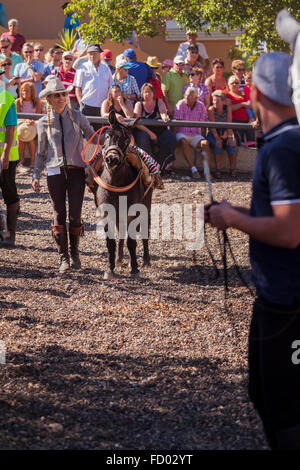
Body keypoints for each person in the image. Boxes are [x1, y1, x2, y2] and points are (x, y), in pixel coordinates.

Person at [208, 52, 300, 450]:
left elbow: (289, 230)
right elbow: (280, 216)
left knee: (286, 409)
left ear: (257, 91)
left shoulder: (283, 147)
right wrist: (234, 212)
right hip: (277, 297)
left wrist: (233, 219)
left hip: (288, 302)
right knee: (264, 395)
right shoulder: (286, 142)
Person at [32, 78, 97, 274]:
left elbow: (92, 137)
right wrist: (36, 175)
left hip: (77, 170)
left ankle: (75, 254)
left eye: (63, 94)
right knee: (58, 213)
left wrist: (91, 160)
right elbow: (41, 152)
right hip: (54, 171)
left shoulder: (78, 117)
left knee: (75, 213)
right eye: (57, 95)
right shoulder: (43, 123)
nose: (61, 98)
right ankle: (64, 258)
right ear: (49, 99)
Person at [133, 82, 177, 171]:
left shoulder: (159, 102)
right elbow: (136, 122)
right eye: (145, 92)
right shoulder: (139, 104)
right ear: (142, 94)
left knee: (170, 138)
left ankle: (161, 165)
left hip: (159, 131)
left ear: (153, 93)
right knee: (142, 137)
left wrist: (164, 117)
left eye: (149, 92)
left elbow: (163, 112)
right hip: (145, 131)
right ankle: (146, 165)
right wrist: (150, 133)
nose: (147, 94)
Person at [74, 43, 113, 131]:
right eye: (90, 53)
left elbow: (111, 86)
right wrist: (81, 103)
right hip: (86, 106)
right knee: (84, 133)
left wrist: (108, 103)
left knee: (101, 133)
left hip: (102, 107)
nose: (92, 55)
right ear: (87, 55)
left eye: (95, 53)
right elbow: (77, 88)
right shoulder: (82, 67)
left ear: (99, 54)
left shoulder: (106, 68)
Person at [173, 87, 210, 178]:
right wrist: (173, 139)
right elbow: (176, 124)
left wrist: (203, 137)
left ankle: (206, 171)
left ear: (196, 98)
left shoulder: (201, 106)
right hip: (182, 132)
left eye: (189, 97)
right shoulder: (180, 104)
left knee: (205, 143)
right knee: (184, 141)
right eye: (185, 96)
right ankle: (193, 169)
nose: (186, 98)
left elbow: (203, 125)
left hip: (194, 133)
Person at [0, 83, 20, 247]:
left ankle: (10, 235)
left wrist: (5, 155)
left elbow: (11, 127)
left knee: (9, 193)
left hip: (6, 156)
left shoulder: (6, 99)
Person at [207, 90, 236, 178]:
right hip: (214, 132)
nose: (215, 102)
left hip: (225, 130)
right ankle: (218, 169)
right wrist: (217, 138)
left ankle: (232, 169)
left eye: (217, 100)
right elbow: (212, 126)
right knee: (218, 144)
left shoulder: (227, 109)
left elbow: (229, 123)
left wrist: (229, 135)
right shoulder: (211, 110)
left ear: (223, 101)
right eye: (214, 100)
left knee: (231, 144)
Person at [16, 82, 41, 170]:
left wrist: (31, 121)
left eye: (27, 91)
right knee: (20, 135)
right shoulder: (18, 101)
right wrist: (25, 121)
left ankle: (33, 161)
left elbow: (38, 115)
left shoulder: (37, 101)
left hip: (34, 122)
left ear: (32, 92)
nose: (24, 93)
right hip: (22, 123)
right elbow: (18, 116)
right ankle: (21, 161)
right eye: (23, 90)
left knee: (29, 135)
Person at [226, 75, 255, 145]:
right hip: (236, 121)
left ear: (239, 84)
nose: (234, 84)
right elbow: (229, 108)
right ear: (229, 85)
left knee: (251, 142)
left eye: (236, 82)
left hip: (248, 121)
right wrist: (242, 104)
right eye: (232, 83)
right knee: (240, 143)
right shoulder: (228, 95)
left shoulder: (243, 93)